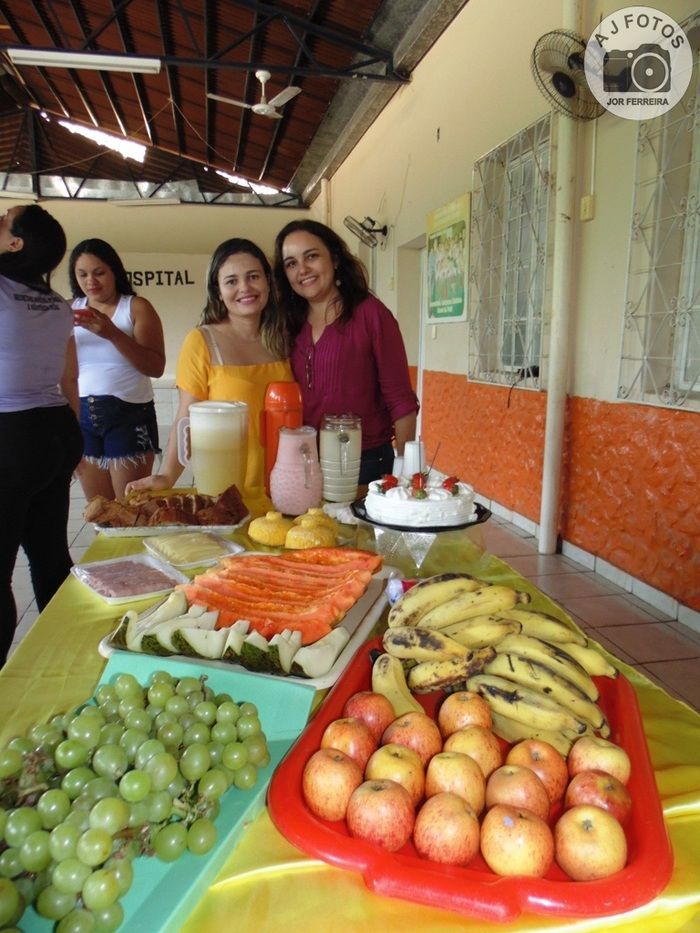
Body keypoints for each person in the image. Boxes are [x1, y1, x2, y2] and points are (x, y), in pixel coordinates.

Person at [126, 238, 292, 512]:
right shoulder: (202, 341)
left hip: (287, 490)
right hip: (229, 497)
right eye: (231, 281)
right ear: (218, 291)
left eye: (253, 276)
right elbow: (186, 418)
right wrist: (167, 475)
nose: (245, 288)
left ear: (268, 282)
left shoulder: (284, 338)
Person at [273, 219, 419, 483]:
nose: (302, 269)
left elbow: (401, 401)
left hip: (364, 464)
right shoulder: (287, 323)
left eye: (311, 256)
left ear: (335, 259)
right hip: (303, 462)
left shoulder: (371, 315)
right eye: (291, 263)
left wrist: (405, 474)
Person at [0, 204, 83, 666]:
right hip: (53, 431)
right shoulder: (56, 304)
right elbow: (68, 378)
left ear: (16, 243)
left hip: (11, 436)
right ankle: (66, 660)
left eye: (3, 220)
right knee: (51, 558)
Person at [69, 238, 165, 500]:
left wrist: (112, 333)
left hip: (129, 415)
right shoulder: (70, 309)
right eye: (82, 274)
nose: (91, 281)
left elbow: (156, 367)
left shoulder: (136, 307)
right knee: (99, 510)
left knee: (130, 508)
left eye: (99, 272)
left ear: (114, 271)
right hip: (83, 417)